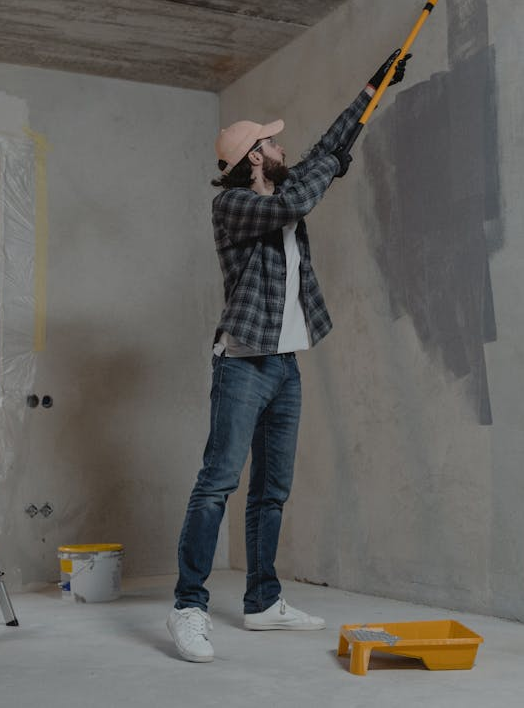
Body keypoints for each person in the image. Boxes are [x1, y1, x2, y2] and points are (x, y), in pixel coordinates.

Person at [167, 50, 410, 663]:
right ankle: (188, 608)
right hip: (242, 362)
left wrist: (370, 86)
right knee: (218, 482)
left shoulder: (282, 181)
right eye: (272, 145)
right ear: (254, 157)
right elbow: (292, 203)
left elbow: (327, 149)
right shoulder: (235, 205)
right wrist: (328, 166)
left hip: (284, 365)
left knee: (272, 489)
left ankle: (262, 602)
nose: (282, 148)